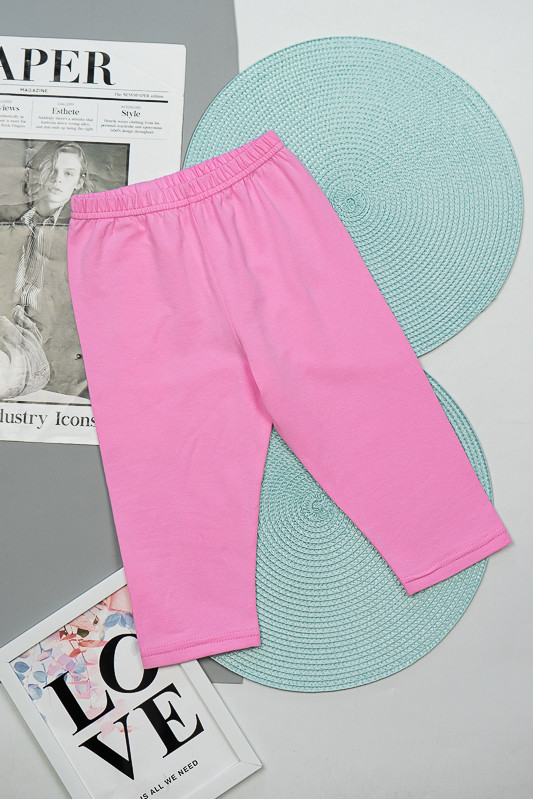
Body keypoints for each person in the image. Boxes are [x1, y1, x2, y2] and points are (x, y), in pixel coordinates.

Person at [0, 142, 93, 399]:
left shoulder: (84, 234)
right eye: (51, 170)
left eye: (68, 173)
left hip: (39, 340)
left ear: (79, 182)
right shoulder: (9, 221)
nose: (56, 180)